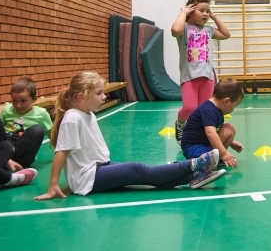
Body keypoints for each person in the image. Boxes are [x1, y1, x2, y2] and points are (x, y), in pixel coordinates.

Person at [34, 72, 223, 200]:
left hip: (99, 168)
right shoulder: (72, 118)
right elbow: (61, 152)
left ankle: (193, 176)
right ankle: (195, 164)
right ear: (81, 97)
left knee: (145, 177)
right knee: (136, 169)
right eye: (99, 93)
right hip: (87, 179)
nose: (104, 97)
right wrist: (53, 185)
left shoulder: (87, 114)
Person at [171, 0, 231, 144]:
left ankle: (201, 135)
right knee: (190, 107)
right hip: (189, 76)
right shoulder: (184, 28)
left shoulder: (208, 30)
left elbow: (226, 34)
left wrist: (215, 17)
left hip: (207, 76)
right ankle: (180, 125)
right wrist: (183, 13)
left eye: (207, 11)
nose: (205, 14)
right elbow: (174, 30)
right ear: (190, 11)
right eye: (202, 10)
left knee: (205, 110)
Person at [0, 77, 52, 168]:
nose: (18, 105)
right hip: (6, 145)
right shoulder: (7, 110)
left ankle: (1, 160)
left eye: (23, 101)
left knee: (37, 130)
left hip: (22, 156)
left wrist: (60, 152)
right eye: (14, 101)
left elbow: (51, 134)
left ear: (34, 99)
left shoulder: (41, 114)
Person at [181, 79, 245, 168]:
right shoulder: (209, 110)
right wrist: (224, 153)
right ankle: (198, 163)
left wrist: (231, 142)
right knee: (209, 165)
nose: (234, 109)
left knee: (229, 129)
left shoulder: (218, 109)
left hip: (205, 144)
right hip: (193, 147)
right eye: (235, 106)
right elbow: (210, 133)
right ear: (226, 101)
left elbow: (216, 130)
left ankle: (215, 159)